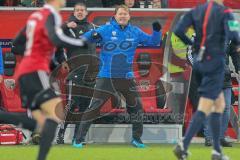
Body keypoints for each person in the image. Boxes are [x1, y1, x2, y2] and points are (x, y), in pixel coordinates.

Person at [0, 0, 86, 160]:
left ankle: (37, 141)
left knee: (44, 121)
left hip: (30, 71)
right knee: (54, 114)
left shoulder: (35, 16)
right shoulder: (49, 16)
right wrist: (80, 41)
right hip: (35, 71)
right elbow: (56, 39)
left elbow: (17, 43)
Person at [72, 4, 162, 148]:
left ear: (129, 16)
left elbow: (154, 41)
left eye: (125, 14)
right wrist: (91, 36)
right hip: (106, 76)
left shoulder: (135, 32)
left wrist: (157, 31)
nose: (122, 16)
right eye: (120, 14)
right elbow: (83, 39)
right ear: (115, 16)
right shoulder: (105, 30)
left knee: (137, 108)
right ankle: (78, 140)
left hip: (126, 77)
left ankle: (136, 139)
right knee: (94, 108)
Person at [173, 0, 240, 160]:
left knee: (218, 106)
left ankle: (215, 150)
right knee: (209, 107)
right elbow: (237, 38)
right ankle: (185, 146)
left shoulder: (196, 12)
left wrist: (195, 46)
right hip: (215, 65)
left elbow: (178, 31)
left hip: (203, 66)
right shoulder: (227, 14)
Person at [55, 2, 97, 144]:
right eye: (77, 10)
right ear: (74, 12)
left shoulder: (92, 27)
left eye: (82, 10)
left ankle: (76, 138)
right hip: (75, 72)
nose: (80, 12)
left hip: (90, 73)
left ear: (86, 12)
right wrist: (63, 61)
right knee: (72, 104)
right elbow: (56, 40)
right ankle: (60, 134)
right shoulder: (67, 27)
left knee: (85, 106)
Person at [203, 41, 240, 147]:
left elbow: (234, 53)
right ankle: (209, 137)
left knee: (226, 109)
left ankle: (221, 137)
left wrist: (238, 68)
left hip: (225, 77)